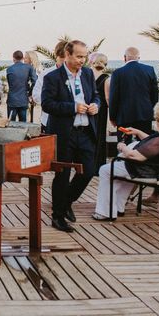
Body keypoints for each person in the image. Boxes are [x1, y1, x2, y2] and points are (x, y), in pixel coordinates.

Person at [42, 40, 100, 232]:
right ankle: (57, 217)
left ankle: (66, 202)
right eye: (79, 56)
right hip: (64, 133)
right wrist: (73, 108)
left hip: (85, 132)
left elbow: (96, 95)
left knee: (89, 170)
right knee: (63, 174)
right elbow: (47, 104)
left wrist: (95, 105)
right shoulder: (53, 77)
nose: (83, 60)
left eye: (84, 56)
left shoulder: (89, 74)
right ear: (67, 55)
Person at [92, 99, 159, 221]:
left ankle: (105, 212)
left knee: (105, 170)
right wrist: (138, 132)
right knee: (120, 170)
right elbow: (153, 143)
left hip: (146, 170)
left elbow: (134, 156)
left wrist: (122, 147)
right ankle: (118, 206)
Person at [109, 47, 159, 141]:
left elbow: (114, 97)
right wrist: (153, 111)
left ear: (125, 57)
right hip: (145, 114)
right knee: (144, 144)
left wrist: (112, 117)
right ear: (138, 58)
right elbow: (154, 94)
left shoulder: (117, 73)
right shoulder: (149, 70)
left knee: (124, 144)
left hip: (124, 115)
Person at [32, 40, 67, 131]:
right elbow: (36, 95)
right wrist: (52, 102)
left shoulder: (79, 74)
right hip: (49, 120)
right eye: (61, 58)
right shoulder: (46, 74)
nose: (64, 63)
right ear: (56, 56)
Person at [90, 52, 111, 167]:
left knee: (90, 135)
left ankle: (88, 162)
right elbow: (108, 97)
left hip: (89, 108)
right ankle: (98, 164)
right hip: (101, 110)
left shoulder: (87, 75)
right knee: (100, 135)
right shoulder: (106, 79)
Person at [6, 50, 37, 121]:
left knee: (11, 124)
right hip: (23, 100)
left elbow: (10, 83)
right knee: (23, 124)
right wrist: (30, 93)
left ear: (13, 58)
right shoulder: (29, 68)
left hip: (12, 100)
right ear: (22, 58)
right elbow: (35, 81)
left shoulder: (9, 69)